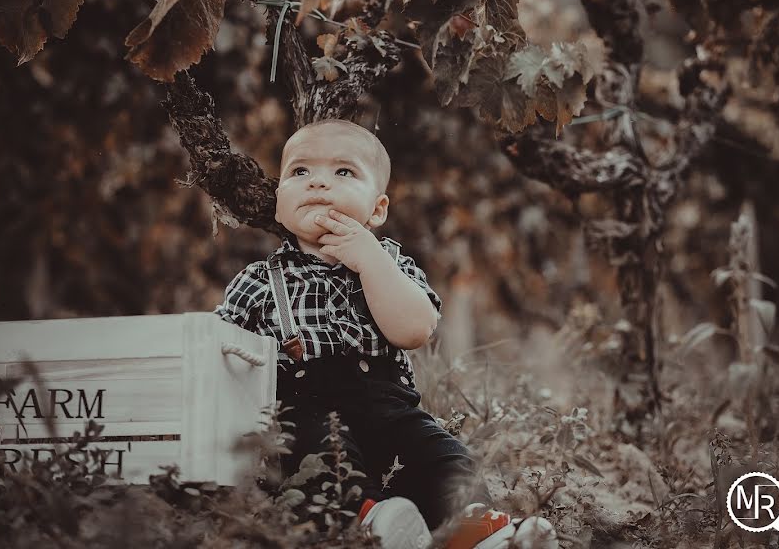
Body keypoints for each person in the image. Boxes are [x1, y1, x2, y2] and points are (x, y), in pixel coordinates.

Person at [215, 119, 557, 549]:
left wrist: (369, 259)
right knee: (316, 454)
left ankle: (475, 529)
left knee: (442, 454)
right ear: (279, 201)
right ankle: (369, 522)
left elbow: (415, 330)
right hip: (305, 410)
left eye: (343, 172)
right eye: (300, 172)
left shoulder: (393, 264)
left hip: (389, 410)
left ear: (377, 210)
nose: (319, 182)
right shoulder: (259, 280)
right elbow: (219, 350)